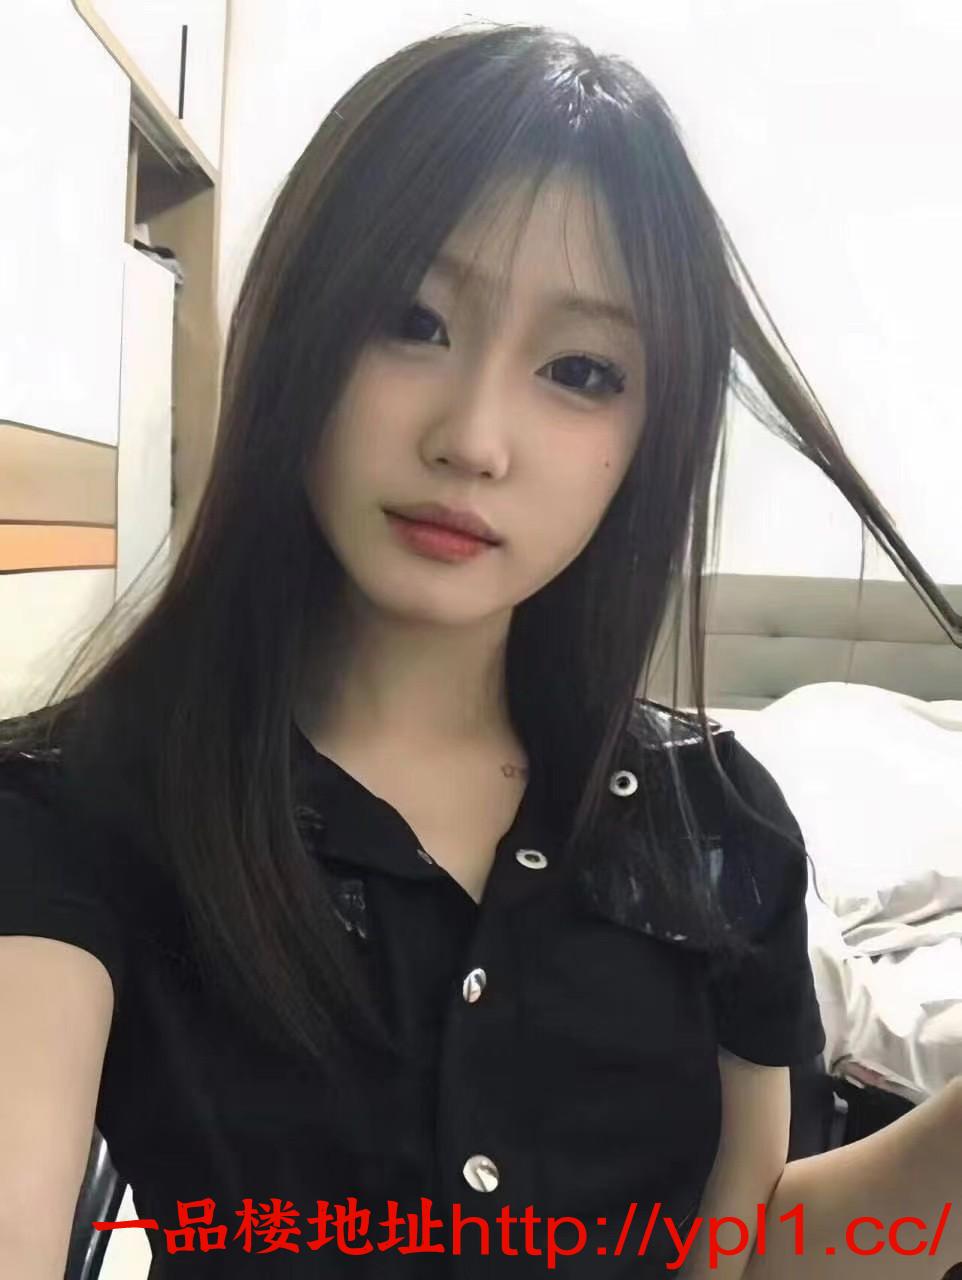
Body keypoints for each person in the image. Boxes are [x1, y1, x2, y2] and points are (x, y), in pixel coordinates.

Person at [0, 20, 959, 1280]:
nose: (473, 437)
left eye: (579, 369)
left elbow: (735, 1249)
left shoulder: (717, 825)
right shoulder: (82, 809)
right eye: (410, 318)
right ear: (297, 329)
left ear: (647, 434)